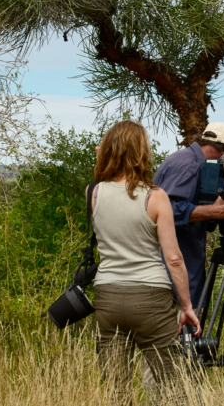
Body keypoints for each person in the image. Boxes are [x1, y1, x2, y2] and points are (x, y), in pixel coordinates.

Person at [89, 120, 201, 404]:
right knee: (173, 385)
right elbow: (173, 258)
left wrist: (102, 157)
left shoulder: (94, 193)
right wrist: (186, 307)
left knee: (116, 389)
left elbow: (105, 182)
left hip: (107, 296)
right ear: (142, 152)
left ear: (107, 150)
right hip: (151, 297)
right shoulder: (155, 196)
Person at [152, 122, 224, 306]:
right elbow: (166, 211)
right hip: (174, 271)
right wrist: (213, 211)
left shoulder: (186, 159)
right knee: (178, 322)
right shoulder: (189, 165)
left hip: (181, 263)